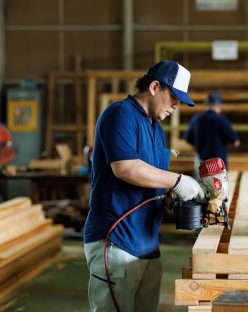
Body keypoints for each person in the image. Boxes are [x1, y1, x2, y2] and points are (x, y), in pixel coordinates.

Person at [83, 60, 205, 312]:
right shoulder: (120, 114)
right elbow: (125, 168)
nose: (175, 105)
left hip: (148, 244)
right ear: (154, 87)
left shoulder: (156, 129)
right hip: (116, 240)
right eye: (173, 96)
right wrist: (178, 180)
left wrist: (178, 202)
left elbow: (154, 186)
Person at [184, 91, 239, 177]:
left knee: (200, 189)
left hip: (201, 164)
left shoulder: (196, 119)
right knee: (219, 189)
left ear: (206, 104)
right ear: (220, 105)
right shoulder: (222, 120)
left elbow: (188, 139)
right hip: (218, 165)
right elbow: (235, 142)